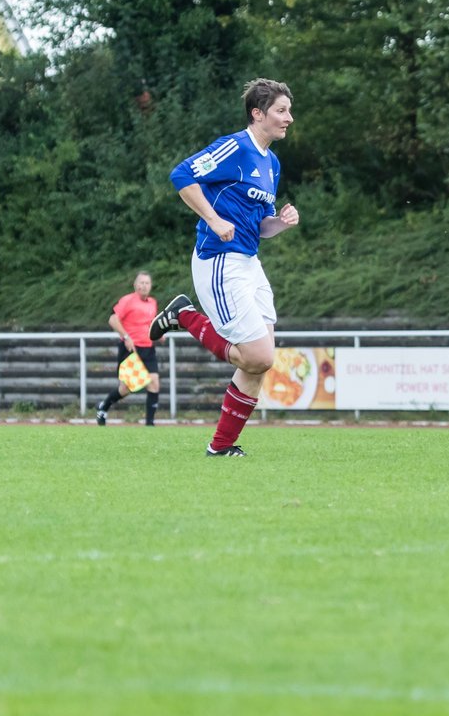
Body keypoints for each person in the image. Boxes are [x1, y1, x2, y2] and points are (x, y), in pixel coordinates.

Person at [148, 78, 301, 457]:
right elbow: (182, 176)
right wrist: (214, 219)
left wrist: (280, 223)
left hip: (249, 263)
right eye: (281, 111)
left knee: (259, 363)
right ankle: (184, 315)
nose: (289, 118)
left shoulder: (272, 163)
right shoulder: (235, 146)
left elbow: (261, 227)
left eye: (288, 110)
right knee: (258, 356)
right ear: (258, 114)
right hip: (219, 259)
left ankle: (221, 447)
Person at [96, 270, 160, 426]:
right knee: (126, 388)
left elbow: (150, 324)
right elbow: (112, 319)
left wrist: (159, 334)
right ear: (135, 285)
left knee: (154, 383)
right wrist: (126, 337)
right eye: (141, 283)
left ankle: (150, 424)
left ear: (150, 286)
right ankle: (104, 406)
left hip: (148, 348)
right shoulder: (127, 300)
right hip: (131, 349)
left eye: (147, 283)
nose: (144, 286)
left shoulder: (152, 303)